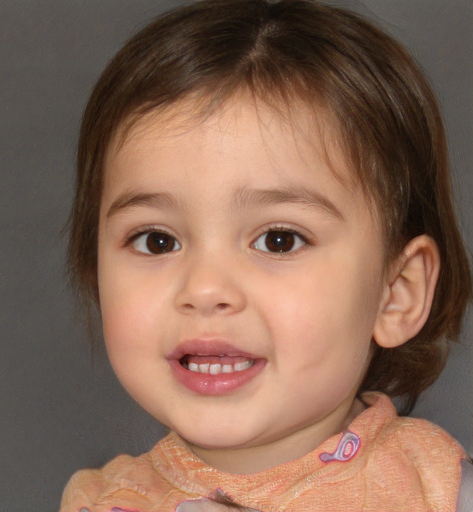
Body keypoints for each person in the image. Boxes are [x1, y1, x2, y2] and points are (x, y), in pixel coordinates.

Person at [60, 0, 472, 510]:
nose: (205, 288)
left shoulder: (439, 489)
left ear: (396, 294)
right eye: (157, 240)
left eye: (279, 239)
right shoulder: (100, 501)